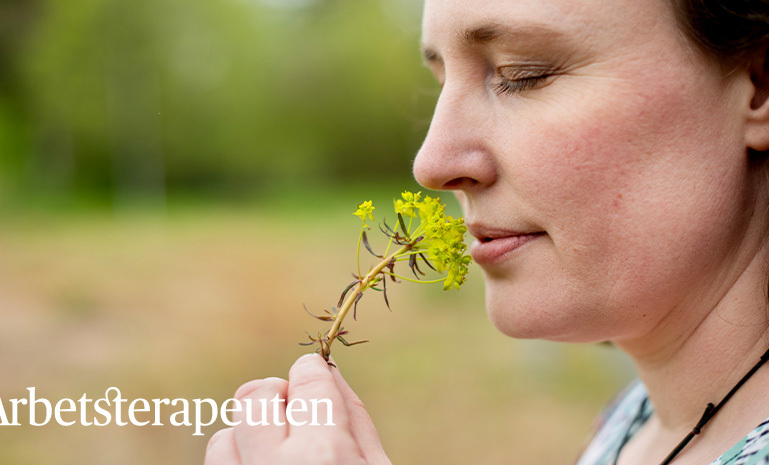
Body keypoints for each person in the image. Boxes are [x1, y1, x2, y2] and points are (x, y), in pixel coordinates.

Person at [204, 0, 769, 463]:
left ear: (760, 86)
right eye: (440, 83)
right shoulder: (635, 422)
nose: (432, 162)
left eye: (522, 73)